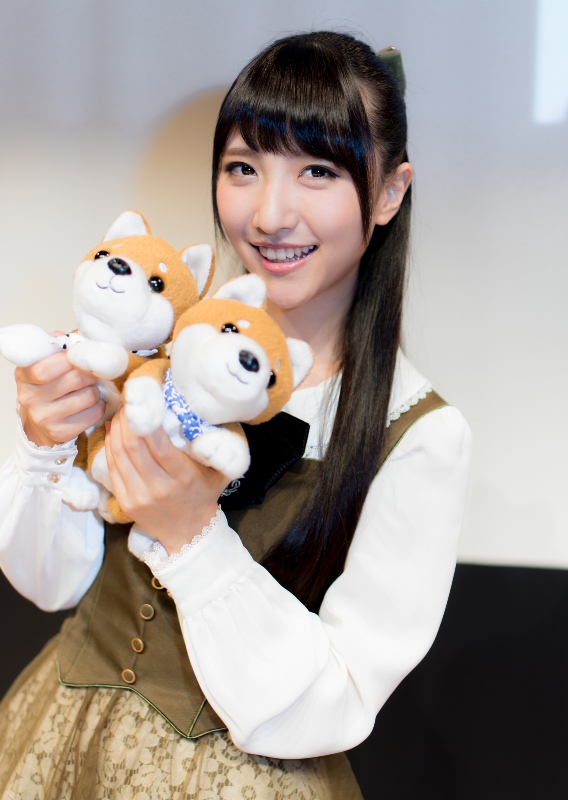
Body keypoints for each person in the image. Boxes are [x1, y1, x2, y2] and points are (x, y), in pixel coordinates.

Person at [0, 31, 471, 799]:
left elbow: (339, 699)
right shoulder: (153, 355)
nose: (270, 214)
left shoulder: (419, 436)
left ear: (390, 192)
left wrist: (192, 536)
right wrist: (45, 446)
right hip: (61, 739)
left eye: (318, 171)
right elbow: (53, 585)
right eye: (244, 168)